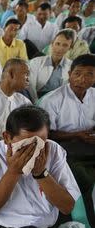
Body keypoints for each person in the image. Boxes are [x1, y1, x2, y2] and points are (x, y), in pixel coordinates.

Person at [39, 54, 95, 196]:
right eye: (77, 74)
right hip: (65, 149)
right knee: (82, 178)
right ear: (69, 74)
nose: (82, 79)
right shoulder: (52, 99)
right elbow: (47, 135)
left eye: (89, 75)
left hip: (90, 145)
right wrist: (77, 135)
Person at [28, 29, 74, 101]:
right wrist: (36, 102)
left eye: (65, 45)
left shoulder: (71, 65)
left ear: (70, 48)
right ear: (52, 44)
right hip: (38, 98)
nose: (60, 48)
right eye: (57, 44)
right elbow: (31, 86)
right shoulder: (35, 62)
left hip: (59, 100)